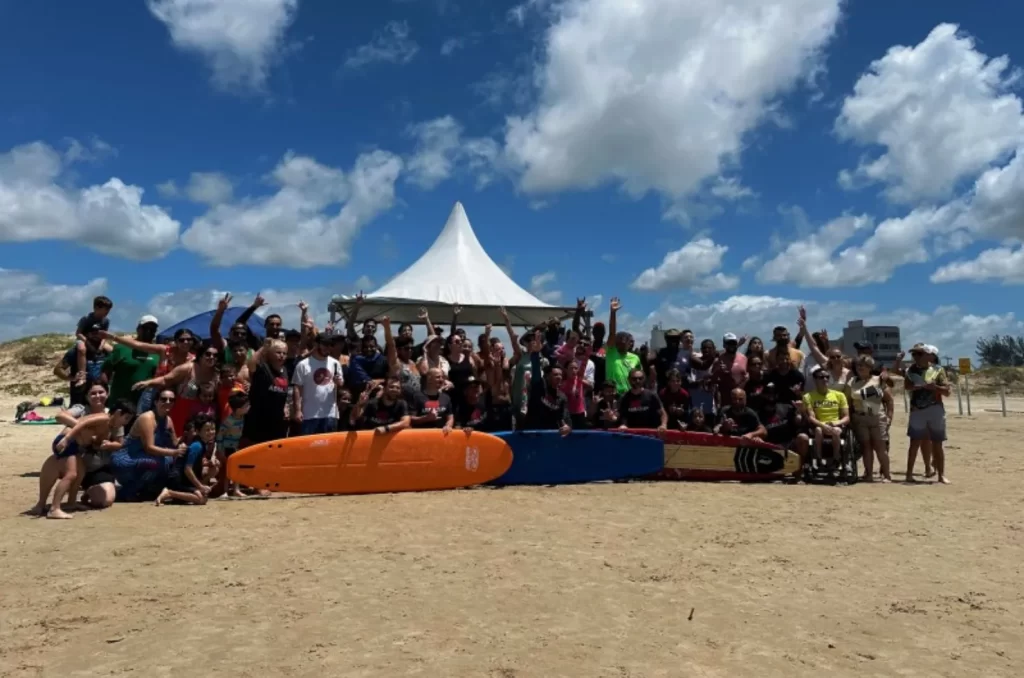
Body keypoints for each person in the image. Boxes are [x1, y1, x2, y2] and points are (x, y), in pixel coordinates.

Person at [29, 384, 127, 517]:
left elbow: (119, 443)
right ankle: (53, 508)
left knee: (83, 478)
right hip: (70, 446)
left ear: (107, 393)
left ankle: (70, 502)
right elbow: (60, 416)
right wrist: (83, 429)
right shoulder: (81, 410)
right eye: (93, 393)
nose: (97, 396)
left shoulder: (114, 415)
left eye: (101, 392)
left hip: (94, 466)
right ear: (86, 396)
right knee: (70, 474)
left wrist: (107, 444)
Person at [110, 389, 186, 502]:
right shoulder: (147, 418)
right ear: (156, 402)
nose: (168, 402)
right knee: (160, 462)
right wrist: (174, 452)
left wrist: (185, 440)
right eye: (164, 399)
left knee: (170, 460)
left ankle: (148, 490)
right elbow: (149, 447)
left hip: (145, 456)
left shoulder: (168, 420)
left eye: (171, 400)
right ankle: (125, 492)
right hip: (127, 457)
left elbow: (175, 443)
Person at [905, 343, 951, 484]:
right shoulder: (910, 370)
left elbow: (947, 391)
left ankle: (941, 475)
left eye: (919, 354)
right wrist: (915, 387)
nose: (915, 357)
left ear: (928, 355)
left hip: (935, 408)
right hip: (917, 409)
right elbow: (906, 386)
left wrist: (934, 387)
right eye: (914, 354)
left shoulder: (938, 370)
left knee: (937, 442)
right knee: (914, 443)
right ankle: (909, 474)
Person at [800, 366, 851, 479]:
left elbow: (846, 417)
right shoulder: (808, 396)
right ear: (815, 380)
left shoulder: (839, 395)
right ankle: (818, 459)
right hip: (818, 425)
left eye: (827, 377)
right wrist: (822, 425)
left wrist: (836, 423)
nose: (824, 380)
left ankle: (836, 459)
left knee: (837, 431)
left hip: (835, 425)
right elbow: (811, 417)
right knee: (818, 430)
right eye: (821, 377)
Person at [848, 355, 893, 482]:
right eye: (858, 365)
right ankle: (869, 474)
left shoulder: (879, 380)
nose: (860, 367)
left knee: (880, 447)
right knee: (866, 447)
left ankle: (886, 475)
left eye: (864, 365)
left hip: (877, 417)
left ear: (870, 367)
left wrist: (889, 418)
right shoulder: (852, 382)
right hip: (860, 417)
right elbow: (849, 401)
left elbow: (889, 400)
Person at [99, 316, 161, 405]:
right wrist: (104, 390)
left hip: (145, 405)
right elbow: (105, 371)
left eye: (153, 329)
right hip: (119, 403)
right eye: (145, 328)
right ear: (138, 329)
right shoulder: (121, 348)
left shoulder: (158, 352)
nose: (149, 331)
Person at [157, 413, 216, 506]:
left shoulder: (203, 444)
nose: (211, 432)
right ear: (198, 431)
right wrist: (200, 486)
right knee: (201, 500)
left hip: (184, 480)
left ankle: (177, 494)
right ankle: (169, 493)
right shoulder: (197, 446)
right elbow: (187, 469)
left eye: (213, 429)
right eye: (207, 430)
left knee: (203, 493)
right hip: (177, 480)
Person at [291, 333, 344, 435]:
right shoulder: (303, 364)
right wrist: (297, 410)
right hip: (309, 415)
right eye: (325, 344)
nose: (328, 348)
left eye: (330, 345)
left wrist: (339, 382)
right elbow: (297, 388)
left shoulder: (335, 363)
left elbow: (341, 383)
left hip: (330, 414)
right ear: (316, 344)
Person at [242, 339, 290, 450]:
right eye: (278, 352)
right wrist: (264, 347)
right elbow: (250, 364)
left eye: (284, 353)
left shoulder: (285, 371)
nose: (282, 356)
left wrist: (286, 406)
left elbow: (283, 393)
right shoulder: (263, 368)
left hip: (277, 422)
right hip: (259, 421)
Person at [756, 383, 809, 468]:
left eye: (773, 394)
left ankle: (799, 471)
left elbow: (800, 422)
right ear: (763, 395)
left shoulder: (786, 408)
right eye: (768, 394)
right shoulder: (758, 413)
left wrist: (801, 411)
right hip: (767, 446)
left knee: (803, 438)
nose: (771, 397)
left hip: (787, 444)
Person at [73, 295, 114, 387]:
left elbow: (104, 335)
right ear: (96, 308)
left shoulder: (105, 321)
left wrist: (101, 345)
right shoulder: (86, 319)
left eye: (108, 310)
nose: (107, 312)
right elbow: (78, 333)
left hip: (98, 341)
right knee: (81, 349)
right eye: (105, 309)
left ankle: (110, 375)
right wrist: (87, 342)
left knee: (112, 351)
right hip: (84, 339)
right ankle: (82, 376)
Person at [216, 391, 249, 498]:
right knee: (228, 470)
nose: (249, 407)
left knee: (237, 468)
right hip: (227, 448)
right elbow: (220, 435)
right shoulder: (229, 421)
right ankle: (225, 491)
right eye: (246, 406)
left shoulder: (242, 418)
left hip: (236, 446)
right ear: (239, 409)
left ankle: (236, 489)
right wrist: (220, 450)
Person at [604, 298, 640, 394]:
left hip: (631, 395)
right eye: (619, 340)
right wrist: (613, 313)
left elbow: (640, 377)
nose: (623, 342)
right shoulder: (611, 352)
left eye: (626, 340)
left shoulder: (635, 358)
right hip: (613, 395)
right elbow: (612, 333)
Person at [524, 364, 571, 435]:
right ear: (548, 376)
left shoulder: (562, 397)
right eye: (555, 375)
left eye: (560, 375)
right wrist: (535, 355)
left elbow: (565, 417)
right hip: (533, 433)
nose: (559, 377)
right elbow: (536, 372)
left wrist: (568, 427)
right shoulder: (538, 389)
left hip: (550, 435)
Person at [411, 368, 454, 432]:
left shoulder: (446, 397)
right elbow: (411, 420)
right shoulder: (417, 397)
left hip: (441, 436)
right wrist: (426, 418)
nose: (441, 380)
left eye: (442, 377)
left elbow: (450, 418)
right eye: (438, 377)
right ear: (429, 379)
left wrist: (448, 426)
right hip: (422, 436)